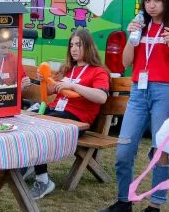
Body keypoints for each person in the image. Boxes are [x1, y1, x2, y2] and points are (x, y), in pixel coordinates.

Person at [97, 0, 169, 212]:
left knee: (160, 150)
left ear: (167, 1)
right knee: (124, 148)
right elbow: (124, 63)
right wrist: (131, 38)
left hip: (165, 91)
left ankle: (155, 206)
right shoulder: (141, 27)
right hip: (139, 90)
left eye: (157, 0)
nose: (151, 5)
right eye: (147, 0)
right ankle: (124, 200)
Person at [28, 28, 109, 200]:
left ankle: (43, 180)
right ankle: (25, 165)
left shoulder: (98, 71)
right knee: (25, 119)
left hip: (77, 119)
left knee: (42, 127)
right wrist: (44, 79)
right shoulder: (67, 69)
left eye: (78, 45)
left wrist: (73, 86)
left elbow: (101, 97)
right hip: (56, 111)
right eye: (71, 45)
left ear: (88, 46)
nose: (73, 49)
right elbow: (51, 90)